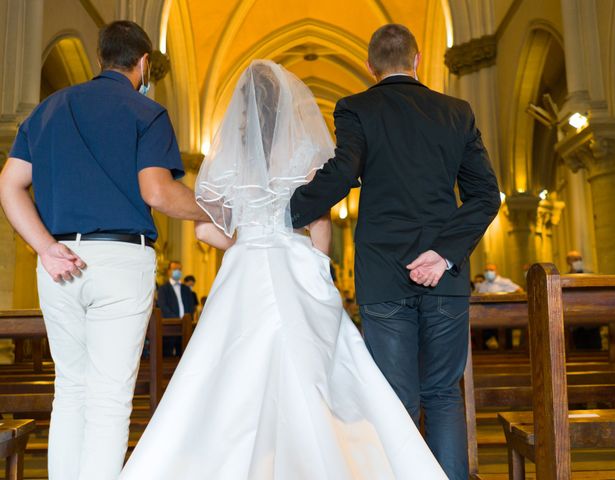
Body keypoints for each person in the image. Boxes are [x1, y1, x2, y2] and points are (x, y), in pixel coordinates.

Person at [119, 60, 447, 479]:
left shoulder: (230, 163)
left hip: (246, 267)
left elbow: (204, 230)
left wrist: (246, 239)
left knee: (227, 372)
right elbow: (320, 221)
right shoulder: (303, 154)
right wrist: (319, 266)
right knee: (316, 368)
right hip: (294, 263)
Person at [289, 24, 501, 480]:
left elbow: (343, 172)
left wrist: (287, 211)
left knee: (395, 397)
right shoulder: (455, 112)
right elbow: (487, 195)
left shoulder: (357, 108)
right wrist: (443, 254)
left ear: (370, 66)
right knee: (443, 393)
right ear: (418, 59)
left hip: (385, 273)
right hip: (444, 276)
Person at [0, 21, 209, 480]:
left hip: (58, 264)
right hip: (119, 259)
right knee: (110, 396)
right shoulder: (145, 111)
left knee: (70, 390)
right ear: (143, 64)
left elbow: (10, 184)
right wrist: (210, 211)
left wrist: (46, 247)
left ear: (99, 59)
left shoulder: (49, 109)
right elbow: (156, 192)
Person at [156, 261, 196, 356]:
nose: (177, 271)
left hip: (186, 327)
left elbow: (191, 305)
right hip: (170, 327)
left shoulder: (186, 289)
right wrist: (178, 320)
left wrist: (186, 319)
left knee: (184, 355)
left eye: (179, 269)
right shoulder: (163, 289)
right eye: (175, 269)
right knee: (168, 355)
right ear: (169, 271)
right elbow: (163, 307)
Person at [566, 250, 602, 349]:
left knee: (596, 349)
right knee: (578, 351)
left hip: (591, 322)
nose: (578, 261)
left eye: (580, 259)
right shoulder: (564, 278)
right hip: (575, 324)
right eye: (575, 259)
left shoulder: (590, 275)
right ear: (568, 262)